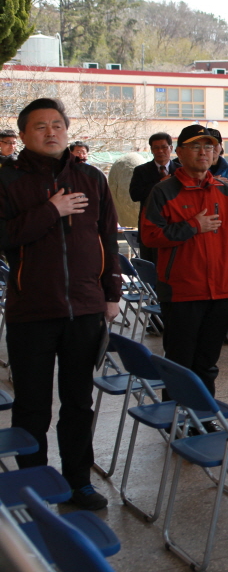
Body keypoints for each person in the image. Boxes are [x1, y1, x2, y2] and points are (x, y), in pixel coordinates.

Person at [0, 98, 122, 510]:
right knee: (32, 405)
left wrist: (112, 293)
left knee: (78, 402)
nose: (51, 132)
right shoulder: (7, 179)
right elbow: (4, 235)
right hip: (31, 310)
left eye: (57, 124)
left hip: (85, 308)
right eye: (40, 126)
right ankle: (33, 484)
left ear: (67, 131)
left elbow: (108, 238)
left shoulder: (90, 177)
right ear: (23, 135)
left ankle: (77, 481)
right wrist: (51, 210)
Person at [140, 124, 228, 405]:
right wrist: (191, 227)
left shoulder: (224, 190)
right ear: (180, 152)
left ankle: (201, 417)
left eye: (209, 146)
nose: (204, 152)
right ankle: (175, 419)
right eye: (196, 146)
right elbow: (149, 236)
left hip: (221, 291)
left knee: (208, 364)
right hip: (182, 292)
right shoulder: (163, 191)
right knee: (179, 363)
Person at [129, 132, 178, 264]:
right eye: (156, 147)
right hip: (149, 228)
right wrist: (159, 184)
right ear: (151, 150)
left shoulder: (181, 171)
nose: (160, 151)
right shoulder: (141, 171)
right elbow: (135, 195)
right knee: (151, 271)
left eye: (164, 147)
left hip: (175, 228)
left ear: (171, 148)